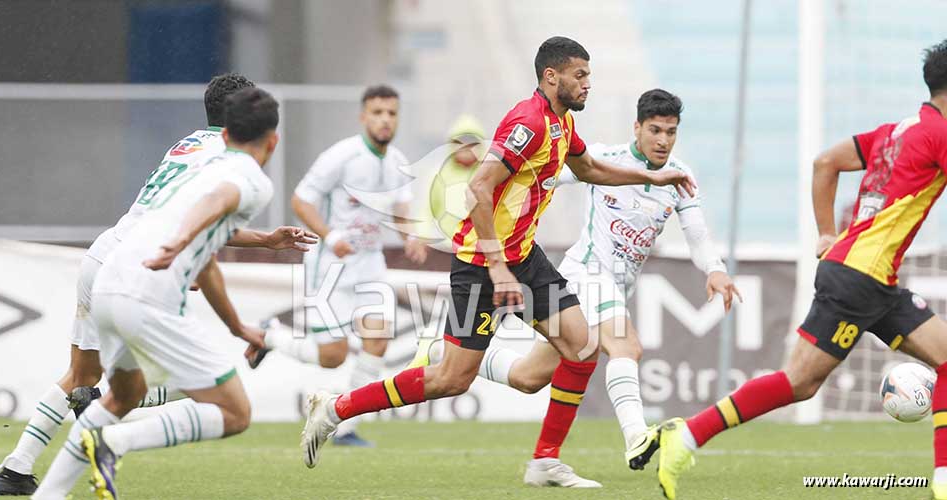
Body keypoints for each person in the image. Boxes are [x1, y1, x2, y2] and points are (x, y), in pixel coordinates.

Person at [300, 36, 694, 488]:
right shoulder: (529, 122)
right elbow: (478, 190)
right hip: (481, 264)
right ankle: (334, 409)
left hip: (525, 258)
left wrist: (651, 176)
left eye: (589, 75)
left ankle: (545, 462)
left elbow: (590, 171)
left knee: (581, 348)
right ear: (552, 77)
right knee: (449, 380)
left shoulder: (562, 124)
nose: (588, 84)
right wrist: (498, 267)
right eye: (580, 75)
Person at [0, 73, 314, 497]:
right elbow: (208, 212)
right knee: (229, 405)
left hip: (107, 254)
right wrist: (182, 249)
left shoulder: (190, 144)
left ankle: (18, 468)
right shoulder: (241, 171)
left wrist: (247, 245)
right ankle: (108, 424)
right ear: (271, 138)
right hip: (145, 275)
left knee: (85, 377)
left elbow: (190, 216)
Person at [654, 39, 947, 500]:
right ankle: (687, 435)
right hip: (859, 279)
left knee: (941, 358)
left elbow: (825, 162)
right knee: (799, 383)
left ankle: (943, 480)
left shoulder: (897, 131)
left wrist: (827, 234)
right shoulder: (940, 135)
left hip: (866, 275)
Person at [412, 89, 739, 482]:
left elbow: (697, 233)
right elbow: (543, 174)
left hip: (616, 286)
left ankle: (440, 355)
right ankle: (637, 436)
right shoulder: (605, 159)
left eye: (671, 132)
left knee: (528, 378)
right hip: (584, 272)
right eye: (655, 130)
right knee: (626, 345)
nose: (663, 140)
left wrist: (715, 269)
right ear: (637, 127)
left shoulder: (679, 177)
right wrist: (492, 203)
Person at [247, 84, 427, 447]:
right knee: (333, 357)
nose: (385, 120)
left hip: (370, 265)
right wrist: (330, 236)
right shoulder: (341, 156)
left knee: (378, 341)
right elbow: (301, 200)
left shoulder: (396, 162)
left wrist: (410, 235)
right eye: (377, 112)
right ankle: (269, 335)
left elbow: (401, 205)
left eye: (391, 113)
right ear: (363, 117)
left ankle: (345, 425)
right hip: (329, 268)